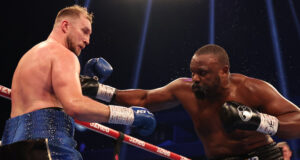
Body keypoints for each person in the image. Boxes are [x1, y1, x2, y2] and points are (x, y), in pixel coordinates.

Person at [82, 44, 300, 160]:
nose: (195, 78)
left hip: (262, 157)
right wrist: (101, 90)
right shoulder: (184, 89)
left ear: (224, 71)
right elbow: (144, 98)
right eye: (193, 72)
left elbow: (297, 120)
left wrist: (258, 121)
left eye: (203, 73)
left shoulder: (251, 89)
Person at [1, 5, 156, 160]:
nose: (87, 40)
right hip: (47, 143)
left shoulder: (29, 57)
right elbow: (75, 106)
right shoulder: (64, 55)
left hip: (10, 145)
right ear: (65, 25)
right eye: (84, 31)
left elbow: (51, 104)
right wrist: (129, 115)